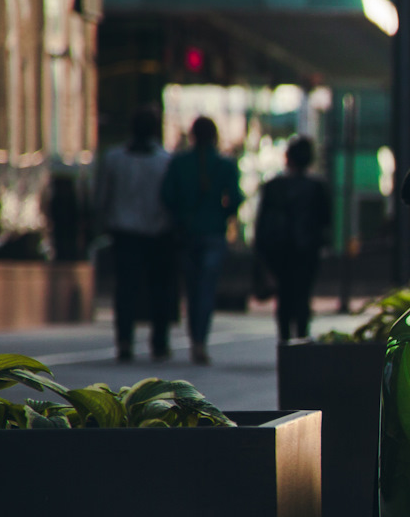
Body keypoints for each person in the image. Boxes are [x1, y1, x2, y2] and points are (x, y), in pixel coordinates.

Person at [94, 106, 177, 362]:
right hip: (157, 233)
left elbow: (102, 195)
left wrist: (102, 221)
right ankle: (160, 343)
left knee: (126, 289)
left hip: (124, 232)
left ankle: (124, 341)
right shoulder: (165, 160)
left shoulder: (114, 158)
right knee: (159, 288)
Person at [160, 116, 245, 365]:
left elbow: (166, 196)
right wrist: (222, 215)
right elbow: (236, 199)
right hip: (214, 232)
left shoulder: (179, 163)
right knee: (206, 289)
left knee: (191, 287)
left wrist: (181, 217)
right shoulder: (225, 165)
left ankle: (193, 337)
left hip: (187, 233)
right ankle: (200, 341)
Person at [254, 135, 333, 342]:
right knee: (302, 296)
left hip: (278, 251)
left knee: (284, 297)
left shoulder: (273, 186)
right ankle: (301, 338)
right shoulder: (317, 187)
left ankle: (285, 339)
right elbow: (326, 220)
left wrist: (262, 252)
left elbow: (262, 223)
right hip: (306, 249)